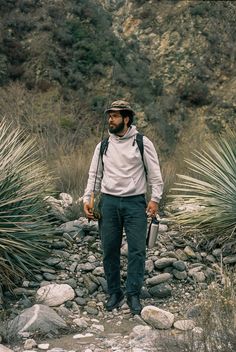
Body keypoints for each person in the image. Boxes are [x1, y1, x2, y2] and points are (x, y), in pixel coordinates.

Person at [83, 100, 163, 315]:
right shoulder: (103, 146)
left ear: (126, 118)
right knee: (109, 250)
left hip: (135, 203)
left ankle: (133, 294)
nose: (110, 119)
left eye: (115, 116)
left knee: (137, 251)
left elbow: (155, 174)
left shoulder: (142, 142)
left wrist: (154, 199)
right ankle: (115, 293)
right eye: (109, 115)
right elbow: (94, 176)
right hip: (107, 203)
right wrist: (87, 200)